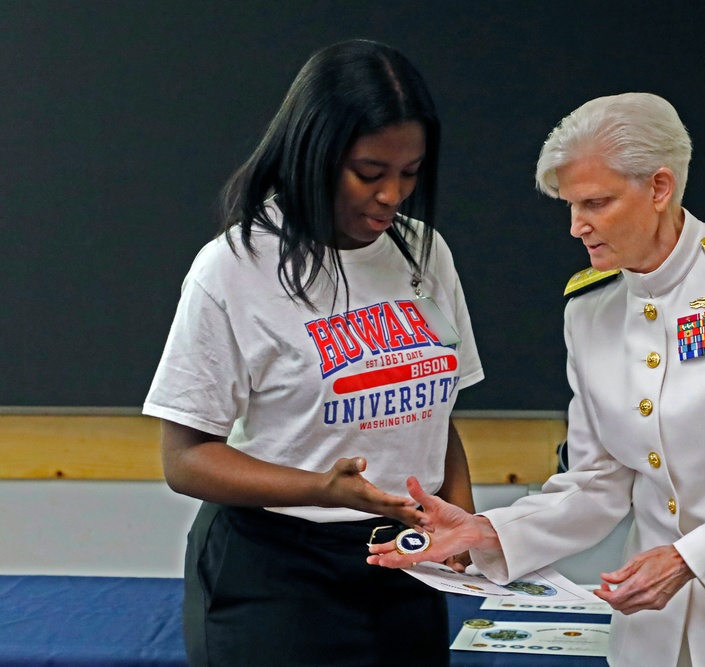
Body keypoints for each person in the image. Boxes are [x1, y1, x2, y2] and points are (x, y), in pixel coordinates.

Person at [368, 93, 705, 666]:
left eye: (595, 203)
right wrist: (488, 532)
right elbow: (598, 481)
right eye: (570, 206)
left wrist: (690, 559)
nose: (576, 226)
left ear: (659, 188)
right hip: (658, 635)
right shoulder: (590, 307)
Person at [143, 40, 483, 666]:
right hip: (275, 573)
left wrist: (457, 514)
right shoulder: (233, 269)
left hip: (402, 568)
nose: (392, 196)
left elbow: (438, 416)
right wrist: (322, 489)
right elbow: (185, 460)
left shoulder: (425, 252)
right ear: (313, 153)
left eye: (410, 173)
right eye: (369, 172)